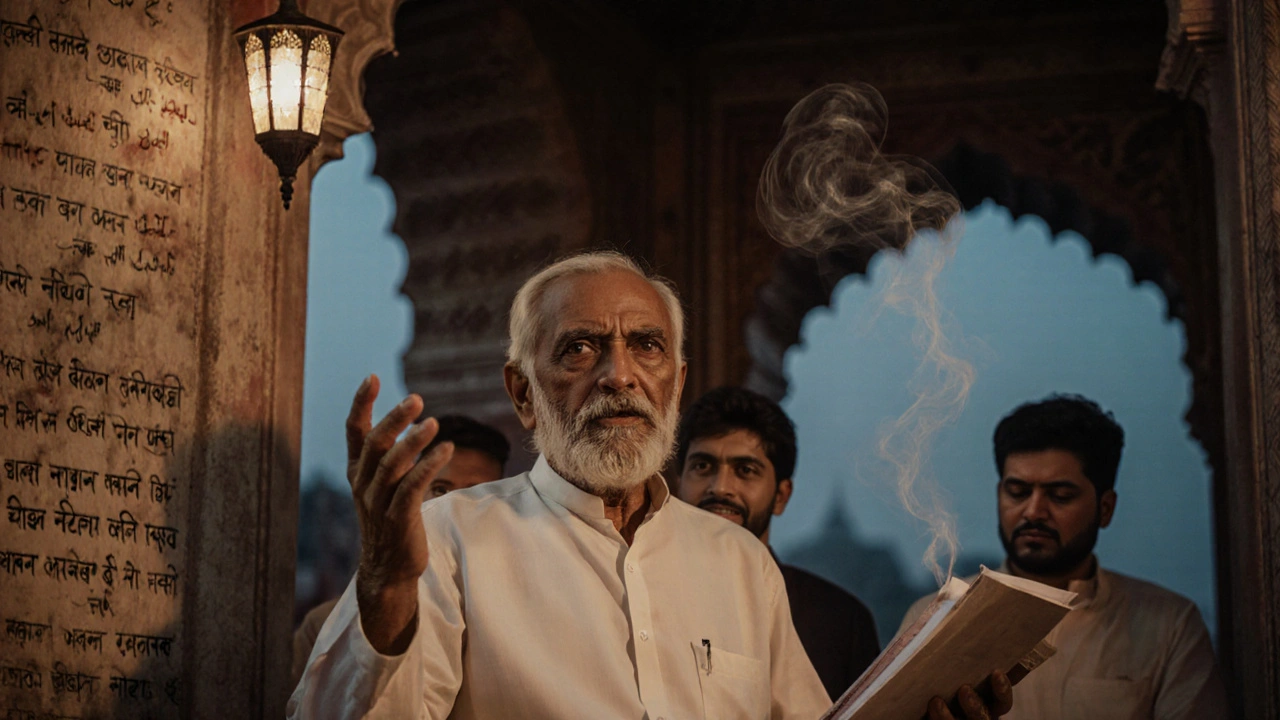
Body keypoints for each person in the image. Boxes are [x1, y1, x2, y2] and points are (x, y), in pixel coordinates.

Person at [290, 250, 1010, 719]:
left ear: (676, 382)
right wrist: (384, 585)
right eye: (579, 348)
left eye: (646, 346)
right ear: (522, 392)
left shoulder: (738, 564)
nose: (619, 374)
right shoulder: (451, 541)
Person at [899, 394, 1228, 719]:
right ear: (999, 495)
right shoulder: (938, 618)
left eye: (1060, 495)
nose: (1034, 511)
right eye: (1018, 492)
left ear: (1105, 508)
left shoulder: (1168, 625)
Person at [674, 385, 879, 700]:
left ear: (781, 496)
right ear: (678, 483)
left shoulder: (839, 623)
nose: (720, 487)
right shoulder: (642, 596)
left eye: (745, 470)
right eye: (703, 467)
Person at [290, 415, 511, 685]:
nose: (454, 507)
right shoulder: (329, 626)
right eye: (440, 490)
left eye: (475, 494)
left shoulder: (517, 617)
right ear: (413, 498)